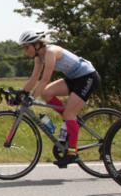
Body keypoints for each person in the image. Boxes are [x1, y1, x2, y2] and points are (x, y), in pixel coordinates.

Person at [18, 30, 102, 168]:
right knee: (46, 93)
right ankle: (70, 122)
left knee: (69, 113)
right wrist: (21, 94)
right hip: (74, 79)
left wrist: (31, 97)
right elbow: (34, 79)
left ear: (37, 44)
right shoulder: (39, 58)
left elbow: (45, 79)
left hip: (88, 77)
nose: (25, 51)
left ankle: (72, 154)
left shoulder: (50, 52)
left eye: (27, 47)